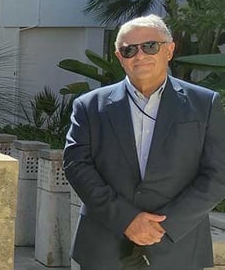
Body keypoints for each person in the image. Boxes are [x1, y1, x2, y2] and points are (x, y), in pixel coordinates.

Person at [63, 14, 225, 269]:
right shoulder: (89, 106)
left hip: (178, 245)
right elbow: (76, 166)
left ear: (169, 50)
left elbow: (218, 174)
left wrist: (164, 226)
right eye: (128, 50)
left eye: (150, 46)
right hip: (105, 245)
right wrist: (127, 220)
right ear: (119, 57)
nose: (139, 55)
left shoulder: (204, 104)